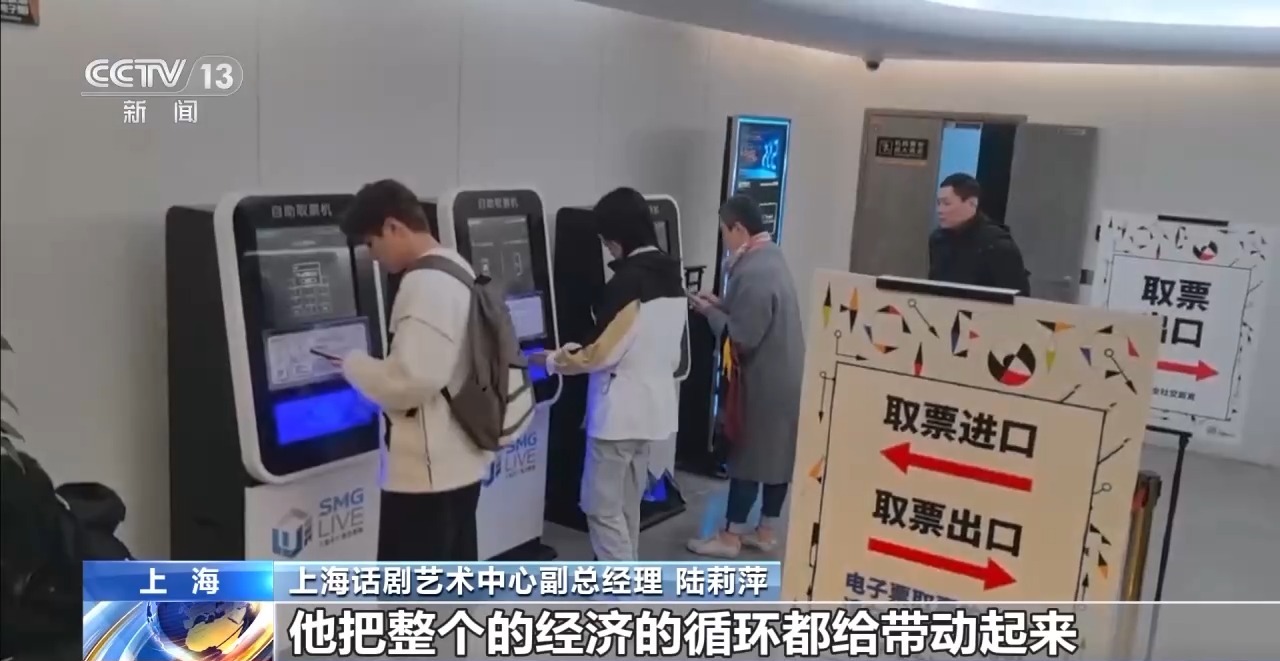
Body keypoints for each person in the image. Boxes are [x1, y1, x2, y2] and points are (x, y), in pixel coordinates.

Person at [333, 179, 490, 561]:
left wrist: (353, 365)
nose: (373, 257)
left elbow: (412, 379)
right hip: (461, 456)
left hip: (428, 473)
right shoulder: (455, 266)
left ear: (393, 227)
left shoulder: (425, 283)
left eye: (372, 244)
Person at [530, 187, 686, 561]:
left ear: (619, 236)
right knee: (627, 505)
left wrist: (551, 360)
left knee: (600, 507)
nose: (608, 250)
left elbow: (600, 353)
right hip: (654, 412)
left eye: (606, 241)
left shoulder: (628, 283)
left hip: (619, 417)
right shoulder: (671, 274)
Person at [686, 195, 805, 559]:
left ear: (738, 228)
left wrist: (710, 313)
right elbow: (753, 312)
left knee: (749, 457)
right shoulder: (771, 256)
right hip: (786, 377)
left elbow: (742, 337)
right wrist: (721, 303)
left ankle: (731, 536)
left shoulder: (753, 271)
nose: (724, 240)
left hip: (762, 384)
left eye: (724, 232)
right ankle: (765, 531)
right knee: (777, 458)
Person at [930, 173, 1031, 296]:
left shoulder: (996, 244)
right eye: (938, 203)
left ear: (972, 203)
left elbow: (1018, 297)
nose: (940, 210)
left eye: (946, 204)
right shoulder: (938, 239)